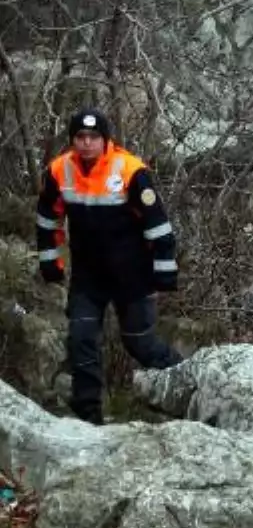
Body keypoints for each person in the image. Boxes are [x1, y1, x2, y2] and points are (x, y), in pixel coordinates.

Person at [35, 108, 183, 424]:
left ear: (105, 139)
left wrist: (165, 271)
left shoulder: (130, 170)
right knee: (81, 337)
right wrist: (51, 262)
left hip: (132, 276)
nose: (87, 143)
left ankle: (189, 385)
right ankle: (88, 417)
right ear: (72, 139)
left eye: (93, 137)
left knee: (140, 344)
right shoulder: (60, 171)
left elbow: (158, 226)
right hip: (89, 277)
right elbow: (47, 220)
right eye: (80, 137)